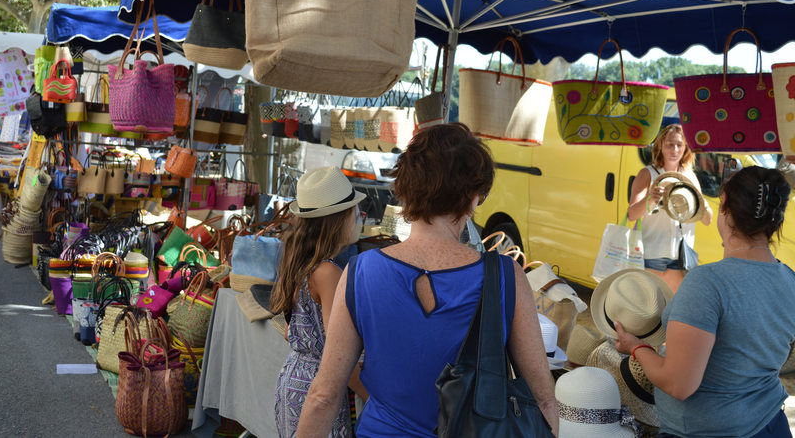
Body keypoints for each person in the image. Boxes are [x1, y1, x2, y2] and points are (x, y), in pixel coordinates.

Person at [296, 123, 559, 437]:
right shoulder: (505, 276)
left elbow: (324, 395)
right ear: (474, 196)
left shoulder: (359, 271)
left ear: (406, 191)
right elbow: (542, 399)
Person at [615, 166, 795, 438]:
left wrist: (636, 347)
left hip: (710, 430)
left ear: (724, 207)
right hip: (770, 423)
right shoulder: (789, 279)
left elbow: (678, 384)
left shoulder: (707, 282)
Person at [270, 166, 368, 438]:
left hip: (295, 380)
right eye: (354, 210)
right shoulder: (328, 273)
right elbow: (337, 355)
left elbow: (292, 330)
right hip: (318, 389)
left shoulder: (302, 263)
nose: (358, 217)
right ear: (341, 219)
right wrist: (374, 398)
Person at [627, 123, 712, 292]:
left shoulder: (690, 176)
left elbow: (707, 219)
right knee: (652, 310)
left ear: (686, 148)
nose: (674, 149)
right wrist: (651, 200)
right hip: (653, 254)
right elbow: (631, 214)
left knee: (673, 311)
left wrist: (696, 201)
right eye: (669, 144)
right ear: (661, 146)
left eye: (679, 145)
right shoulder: (648, 173)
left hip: (682, 257)